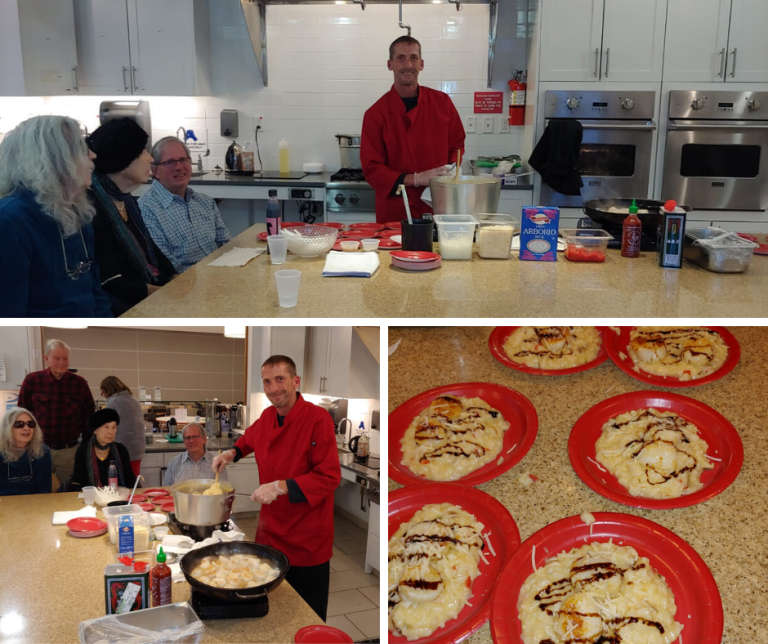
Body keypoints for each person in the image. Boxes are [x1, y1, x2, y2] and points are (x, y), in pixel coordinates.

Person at [212, 355, 340, 622]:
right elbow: (250, 438)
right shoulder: (268, 415)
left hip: (307, 537)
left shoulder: (318, 420)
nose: (273, 388)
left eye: (280, 379)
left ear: (295, 381)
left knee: (307, 615)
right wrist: (231, 453)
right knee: (272, 612)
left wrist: (281, 486)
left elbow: (328, 477)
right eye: (267, 382)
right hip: (271, 533)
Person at [0, 115, 112, 317]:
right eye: (81, 148)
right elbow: (9, 313)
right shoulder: (10, 221)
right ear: (55, 159)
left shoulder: (77, 211)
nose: (93, 155)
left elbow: (97, 295)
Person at [361, 35, 465, 223]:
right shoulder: (375, 114)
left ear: (421, 64)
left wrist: (448, 171)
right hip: (396, 211)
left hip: (438, 206)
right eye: (400, 58)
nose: (407, 64)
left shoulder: (442, 103)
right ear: (390, 64)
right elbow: (372, 169)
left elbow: (457, 146)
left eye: (413, 58)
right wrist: (416, 179)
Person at [86, 118, 177, 316]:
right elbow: (111, 282)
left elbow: (150, 248)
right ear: (123, 162)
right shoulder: (91, 209)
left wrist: (175, 278)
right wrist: (167, 295)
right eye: (142, 151)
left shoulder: (126, 199)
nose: (150, 159)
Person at [139, 137, 231, 273]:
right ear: (155, 171)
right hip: (185, 285)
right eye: (170, 162)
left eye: (183, 160)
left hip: (218, 274)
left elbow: (226, 244)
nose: (179, 167)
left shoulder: (205, 202)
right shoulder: (147, 210)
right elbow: (167, 269)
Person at [18, 339, 95, 486]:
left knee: (69, 492)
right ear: (46, 358)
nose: (62, 362)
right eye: (56, 358)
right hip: (38, 450)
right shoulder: (32, 381)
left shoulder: (79, 383)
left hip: (69, 452)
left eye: (65, 358)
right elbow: (21, 416)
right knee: (39, 491)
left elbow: (89, 417)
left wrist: (86, 447)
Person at [70, 408, 137, 490]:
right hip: (91, 498)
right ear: (95, 430)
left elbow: (130, 480)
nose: (111, 432)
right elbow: (77, 481)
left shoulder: (121, 450)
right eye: (106, 427)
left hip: (117, 497)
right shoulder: (83, 451)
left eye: (114, 427)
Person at [0, 408, 53, 496]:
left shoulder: (43, 451)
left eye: (30, 424)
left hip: (34, 503)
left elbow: (44, 489)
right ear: (7, 428)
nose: (26, 428)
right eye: (19, 424)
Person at [101, 376, 146, 478]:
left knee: (123, 483)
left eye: (103, 392)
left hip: (123, 450)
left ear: (107, 390)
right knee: (133, 480)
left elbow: (107, 429)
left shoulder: (114, 402)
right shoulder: (134, 400)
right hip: (138, 449)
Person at [163, 423, 229, 486]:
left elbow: (223, 491)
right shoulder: (174, 463)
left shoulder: (217, 464)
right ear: (184, 442)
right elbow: (167, 491)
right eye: (188, 438)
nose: (192, 441)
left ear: (204, 439)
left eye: (195, 436)